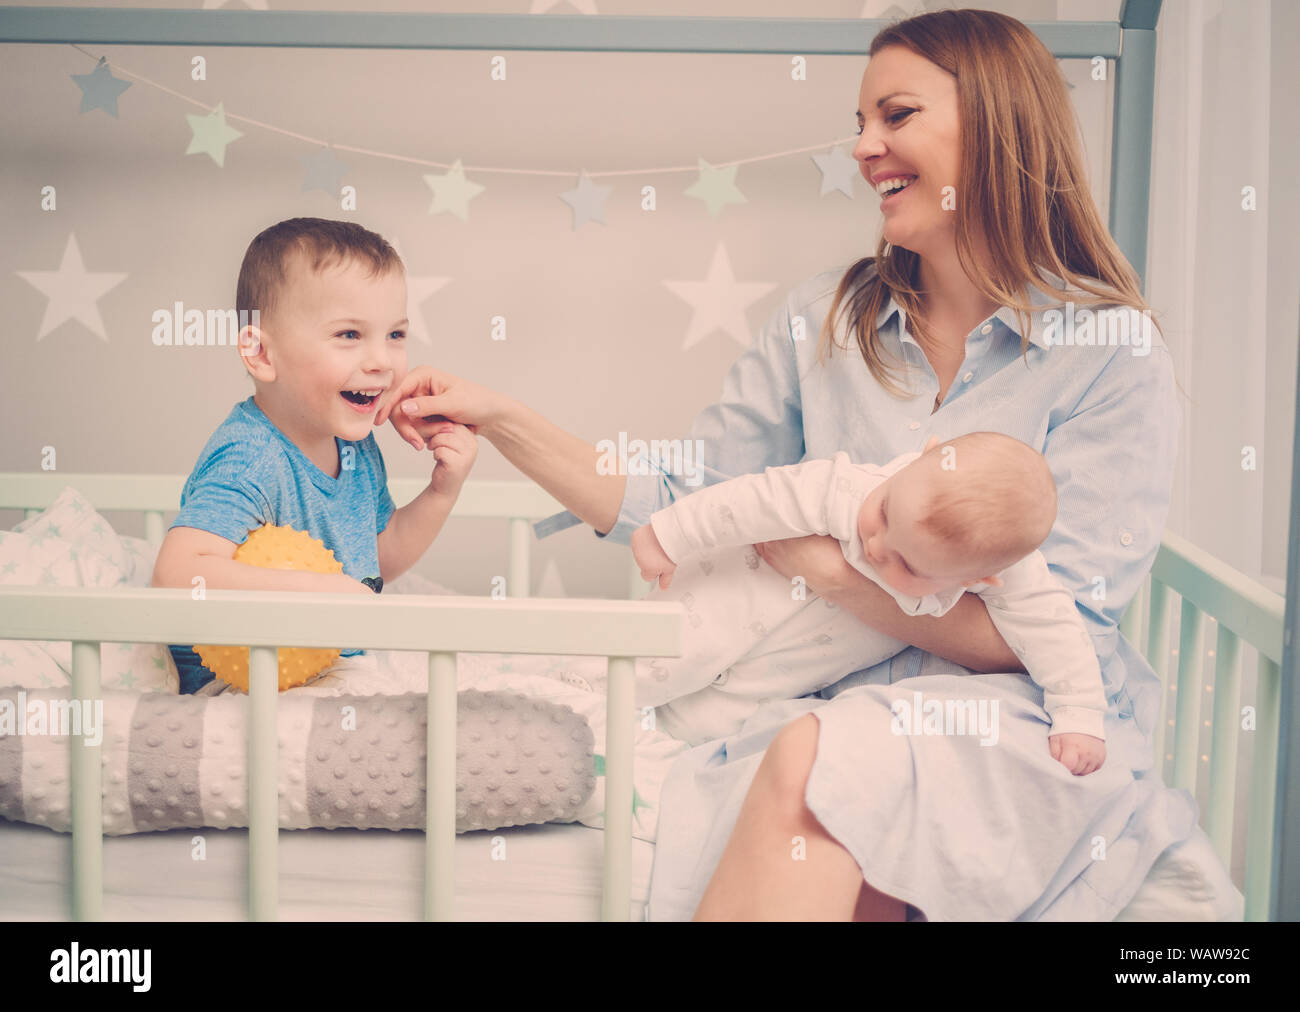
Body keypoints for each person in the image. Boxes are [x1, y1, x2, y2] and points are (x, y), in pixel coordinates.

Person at [373, 8, 1194, 921]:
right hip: (821, 692)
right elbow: (689, 502)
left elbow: (1047, 633)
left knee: (834, 765)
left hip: (1009, 708)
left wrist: (826, 571)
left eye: (895, 115)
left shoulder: (1110, 352)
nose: (863, 148)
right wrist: (503, 419)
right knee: (820, 763)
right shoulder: (824, 320)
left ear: (995, 119)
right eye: (858, 124)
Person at [626, 432, 1106, 775]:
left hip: (792, 659)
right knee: (656, 660)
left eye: (907, 565)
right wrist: (670, 535)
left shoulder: (1008, 573)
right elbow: (754, 499)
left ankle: (630, 756)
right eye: (883, 513)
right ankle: (572, 688)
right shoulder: (849, 488)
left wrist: (1079, 714)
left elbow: (1057, 634)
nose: (874, 546)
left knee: (711, 722)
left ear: (978, 578)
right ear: (925, 455)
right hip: (736, 589)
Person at [153, 217, 477, 694]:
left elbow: (376, 559)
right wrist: (322, 592)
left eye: (395, 335)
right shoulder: (251, 455)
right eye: (349, 335)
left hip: (325, 670)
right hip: (243, 684)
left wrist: (441, 491)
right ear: (262, 354)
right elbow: (176, 575)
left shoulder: (355, 446)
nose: (382, 361)